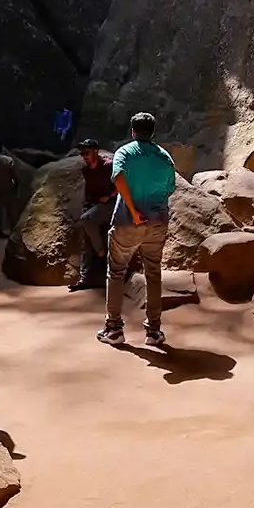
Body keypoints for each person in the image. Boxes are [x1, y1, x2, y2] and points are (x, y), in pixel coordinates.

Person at [97, 112, 176, 346]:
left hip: (127, 223)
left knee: (116, 271)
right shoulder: (164, 157)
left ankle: (114, 329)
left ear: (133, 131)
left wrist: (132, 210)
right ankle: (153, 331)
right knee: (153, 273)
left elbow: (118, 176)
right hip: (157, 222)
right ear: (153, 133)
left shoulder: (125, 152)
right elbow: (170, 188)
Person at [69, 139, 116, 291]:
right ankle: (84, 279)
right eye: (82, 153)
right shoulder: (87, 170)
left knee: (86, 220)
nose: (84, 156)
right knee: (86, 241)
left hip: (110, 204)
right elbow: (89, 193)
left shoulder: (108, 166)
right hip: (94, 205)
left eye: (87, 152)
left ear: (96, 151)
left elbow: (122, 185)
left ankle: (101, 252)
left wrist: (109, 196)